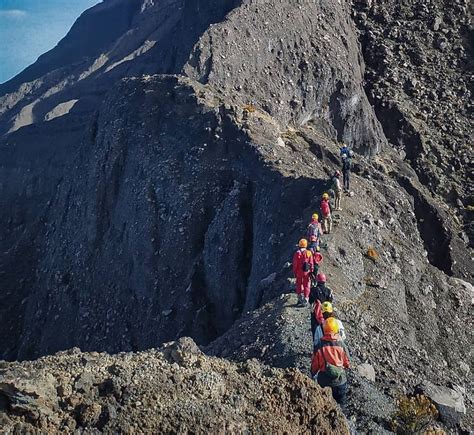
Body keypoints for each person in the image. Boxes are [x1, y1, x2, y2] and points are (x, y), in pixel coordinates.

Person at [311, 317, 350, 405]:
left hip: (324, 383)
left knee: (326, 406)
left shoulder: (319, 346)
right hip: (340, 380)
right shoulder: (341, 344)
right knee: (341, 406)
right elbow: (347, 362)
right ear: (336, 329)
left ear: (324, 330)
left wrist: (313, 374)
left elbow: (314, 366)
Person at [292, 239, 314, 306]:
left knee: (299, 284)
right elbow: (311, 263)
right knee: (307, 285)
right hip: (306, 272)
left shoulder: (297, 253)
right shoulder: (309, 253)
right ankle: (306, 299)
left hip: (299, 272)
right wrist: (311, 271)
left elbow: (295, 264)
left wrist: (294, 272)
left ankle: (299, 299)